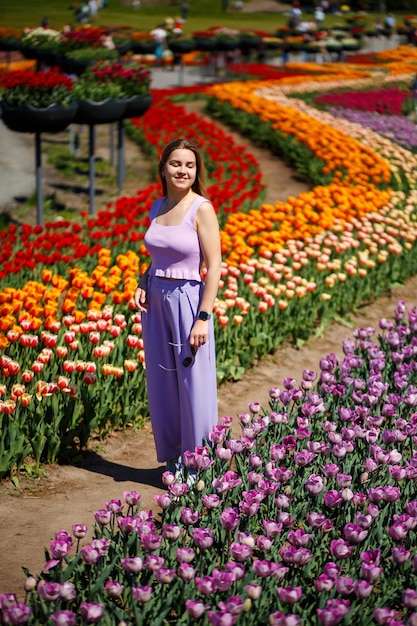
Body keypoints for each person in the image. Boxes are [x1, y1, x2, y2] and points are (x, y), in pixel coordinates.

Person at [134, 139, 222, 478]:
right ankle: (173, 457)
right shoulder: (158, 206)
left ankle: (199, 464)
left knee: (192, 381)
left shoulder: (201, 208)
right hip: (156, 302)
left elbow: (213, 266)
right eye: (176, 164)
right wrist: (144, 281)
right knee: (162, 380)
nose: (182, 170)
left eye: (189, 165)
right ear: (163, 168)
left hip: (188, 300)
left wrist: (203, 317)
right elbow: (158, 256)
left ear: (196, 171)